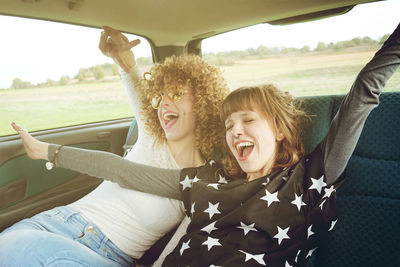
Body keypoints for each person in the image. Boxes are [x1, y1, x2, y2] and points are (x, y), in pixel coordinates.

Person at [7, 22, 400, 266]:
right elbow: (129, 172)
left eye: (248, 120)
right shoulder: (209, 178)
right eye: (230, 124)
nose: (236, 131)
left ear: (279, 131)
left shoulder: (309, 177)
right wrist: (52, 152)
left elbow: (364, 92)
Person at [0, 27, 228, 266]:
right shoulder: (153, 134)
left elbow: (180, 244)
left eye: (176, 93)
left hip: (103, 254)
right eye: (159, 96)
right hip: (52, 223)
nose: (163, 103)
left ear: (204, 101)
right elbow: (133, 77)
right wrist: (121, 56)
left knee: (17, 249)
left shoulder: (202, 181)